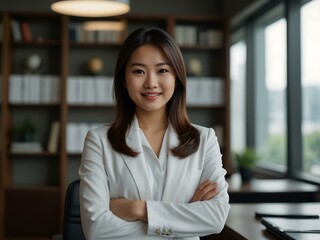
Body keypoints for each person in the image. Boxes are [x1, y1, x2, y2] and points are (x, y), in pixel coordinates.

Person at [79, 27, 230, 240]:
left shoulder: (204, 140)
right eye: (139, 71)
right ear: (123, 79)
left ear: (176, 77)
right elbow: (96, 229)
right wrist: (185, 219)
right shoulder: (99, 141)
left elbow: (216, 218)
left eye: (162, 70)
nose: (151, 82)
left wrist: (137, 210)